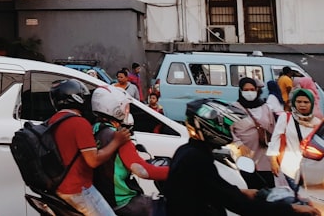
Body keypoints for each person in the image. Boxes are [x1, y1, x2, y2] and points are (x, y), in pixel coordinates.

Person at [164, 98, 319, 216]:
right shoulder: (196, 158)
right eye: (227, 127)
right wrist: (292, 209)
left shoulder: (188, 151)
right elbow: (235, 203)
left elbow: (212, 188)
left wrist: (244, 192)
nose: (229, 132)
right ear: (210, 128)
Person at [48, 79, 130, 216]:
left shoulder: (53, 121)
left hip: (59, 186)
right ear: (76, 98)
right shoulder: (79, 123)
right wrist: (117, 141)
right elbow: (93, 160)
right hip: (79, 188)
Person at [90, 86, 168, 216]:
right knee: (165, 208)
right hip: (122, 201)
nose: (127, 110)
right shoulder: (120, 137)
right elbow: (143, 171)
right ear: (115, 108)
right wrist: (175, 172)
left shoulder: (92, 130)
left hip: (100, 199)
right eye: (125, 107)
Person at [268, 88, 322, 190]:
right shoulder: (286, 117)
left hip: (310, 171)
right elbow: (275, 139)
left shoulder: (317, 123)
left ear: (312, 104)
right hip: (289, 168)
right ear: (293, 103)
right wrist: (273, 161)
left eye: (306, 102)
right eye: (299, 101)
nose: (302, 105)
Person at [231, 76, 277, 190]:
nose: (249, 93)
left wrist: (274, 158)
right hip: (244, 155)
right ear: (240, 91)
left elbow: (273, 131)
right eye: (246, 90)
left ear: (257, 90)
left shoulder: (266, 108)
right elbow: (229, 130)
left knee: (267, 189)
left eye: (252, 89)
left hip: (264, 156)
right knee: (250, 189)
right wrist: (238, 144)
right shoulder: (233, 108)